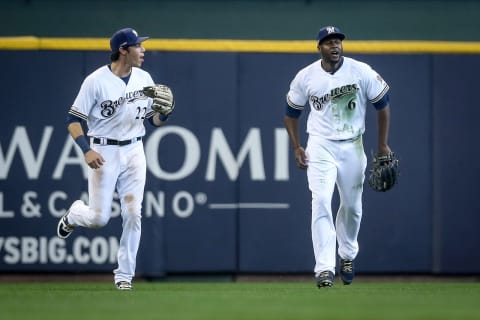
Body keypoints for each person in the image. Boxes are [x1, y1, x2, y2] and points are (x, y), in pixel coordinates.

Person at [56, 27, 174, 290]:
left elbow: (152, 121)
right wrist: (86, 149)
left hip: (134, 150)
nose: (143, 50)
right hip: (104, 150)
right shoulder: (95, 81)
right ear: (123, 50)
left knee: (133, 212)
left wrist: (164, 115)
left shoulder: (144, 77)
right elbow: (73, 120)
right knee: (98, 219)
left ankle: (124, 276)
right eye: (137, 46)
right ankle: (75, 214)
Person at [283, 26, 392, 288]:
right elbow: (290, 113)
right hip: (320, 146)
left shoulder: (360, 71)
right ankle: (324, 269)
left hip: (353, 144)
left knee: (352, 207)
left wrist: (382, 145)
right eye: (329, 42)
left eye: (338, 42)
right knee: (320, 200)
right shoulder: (306, 76)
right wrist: (297, 146)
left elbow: (383, 104)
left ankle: (347, 255)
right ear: (319, 47)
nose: (335, 46)